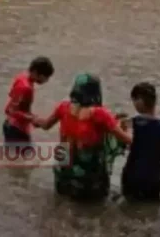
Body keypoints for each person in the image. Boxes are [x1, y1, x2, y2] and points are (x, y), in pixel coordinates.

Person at [35, 73, 132, 201]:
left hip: (63, 172)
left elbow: (46, 125)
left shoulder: (63, 107)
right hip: (88, 178)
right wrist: (128, 129)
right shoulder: (100, 114)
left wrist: (33, 120)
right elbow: (126, 139)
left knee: (62, 204)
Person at [121, 82, 160, 203]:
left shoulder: (132, 123)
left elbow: (123, 144)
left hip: (131, 178)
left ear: (139, 101)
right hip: (154, 181)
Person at [3, 57, 55, 145]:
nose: (46, 80)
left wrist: (31, 117)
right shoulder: (26, 88)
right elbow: (11, 110)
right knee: (23, 156)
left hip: (13, 126)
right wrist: (32, 118)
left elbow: (13, 100)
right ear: (35, 72)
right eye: (45, 77)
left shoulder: (21, 77)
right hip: (16, 129)